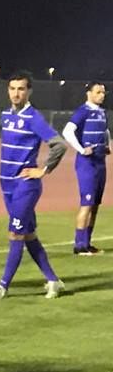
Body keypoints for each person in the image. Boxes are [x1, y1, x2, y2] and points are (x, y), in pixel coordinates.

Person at [0, 71, 67, 301]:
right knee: (28, 234)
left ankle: (3, 286)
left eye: (21, 89)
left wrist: (43, 170)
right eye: (12, 88)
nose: (16, 93)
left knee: (15, 233)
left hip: (26, 186)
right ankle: (53, 280)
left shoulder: (34, 118)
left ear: (29, 91)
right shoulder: (6, 115)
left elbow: (59, 144)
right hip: (7, 184)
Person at [61, 81, 109, 255]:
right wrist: (81, 149)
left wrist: (107, 144)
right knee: (86, 204)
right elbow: (67, 131)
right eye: (98, 92)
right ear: (88, 93)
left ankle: (87, 243)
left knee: (95, 205)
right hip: (87, 164)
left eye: (103, 92)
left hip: (100, 163)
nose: (102, 95)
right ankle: (79, 245)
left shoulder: (102, 113)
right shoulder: (83, 111)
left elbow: (105, 130)